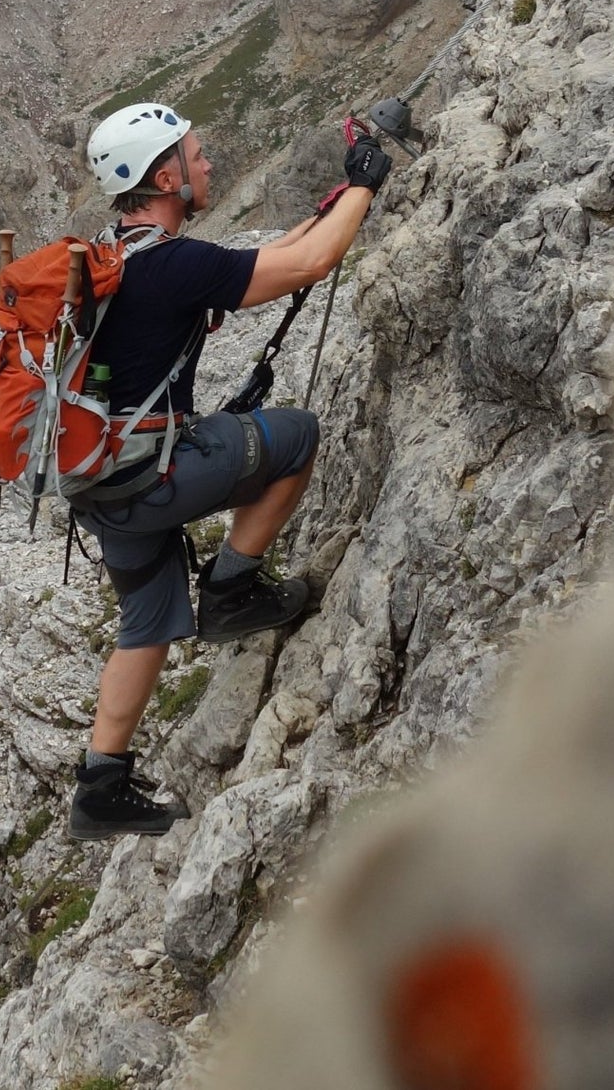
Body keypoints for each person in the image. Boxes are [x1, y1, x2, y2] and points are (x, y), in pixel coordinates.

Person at [65, 101, 391, 840]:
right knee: (296, 436)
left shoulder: (117, 252)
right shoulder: (174, 263)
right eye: (196, 154)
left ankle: (100, 788)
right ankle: (233, 589)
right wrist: (368, 186)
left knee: (144, 623)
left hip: (102, 487)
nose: (208, 164)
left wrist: (333, 203)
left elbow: (269, 256)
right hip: (154, 478)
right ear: (164, 174)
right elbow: (307, 265)